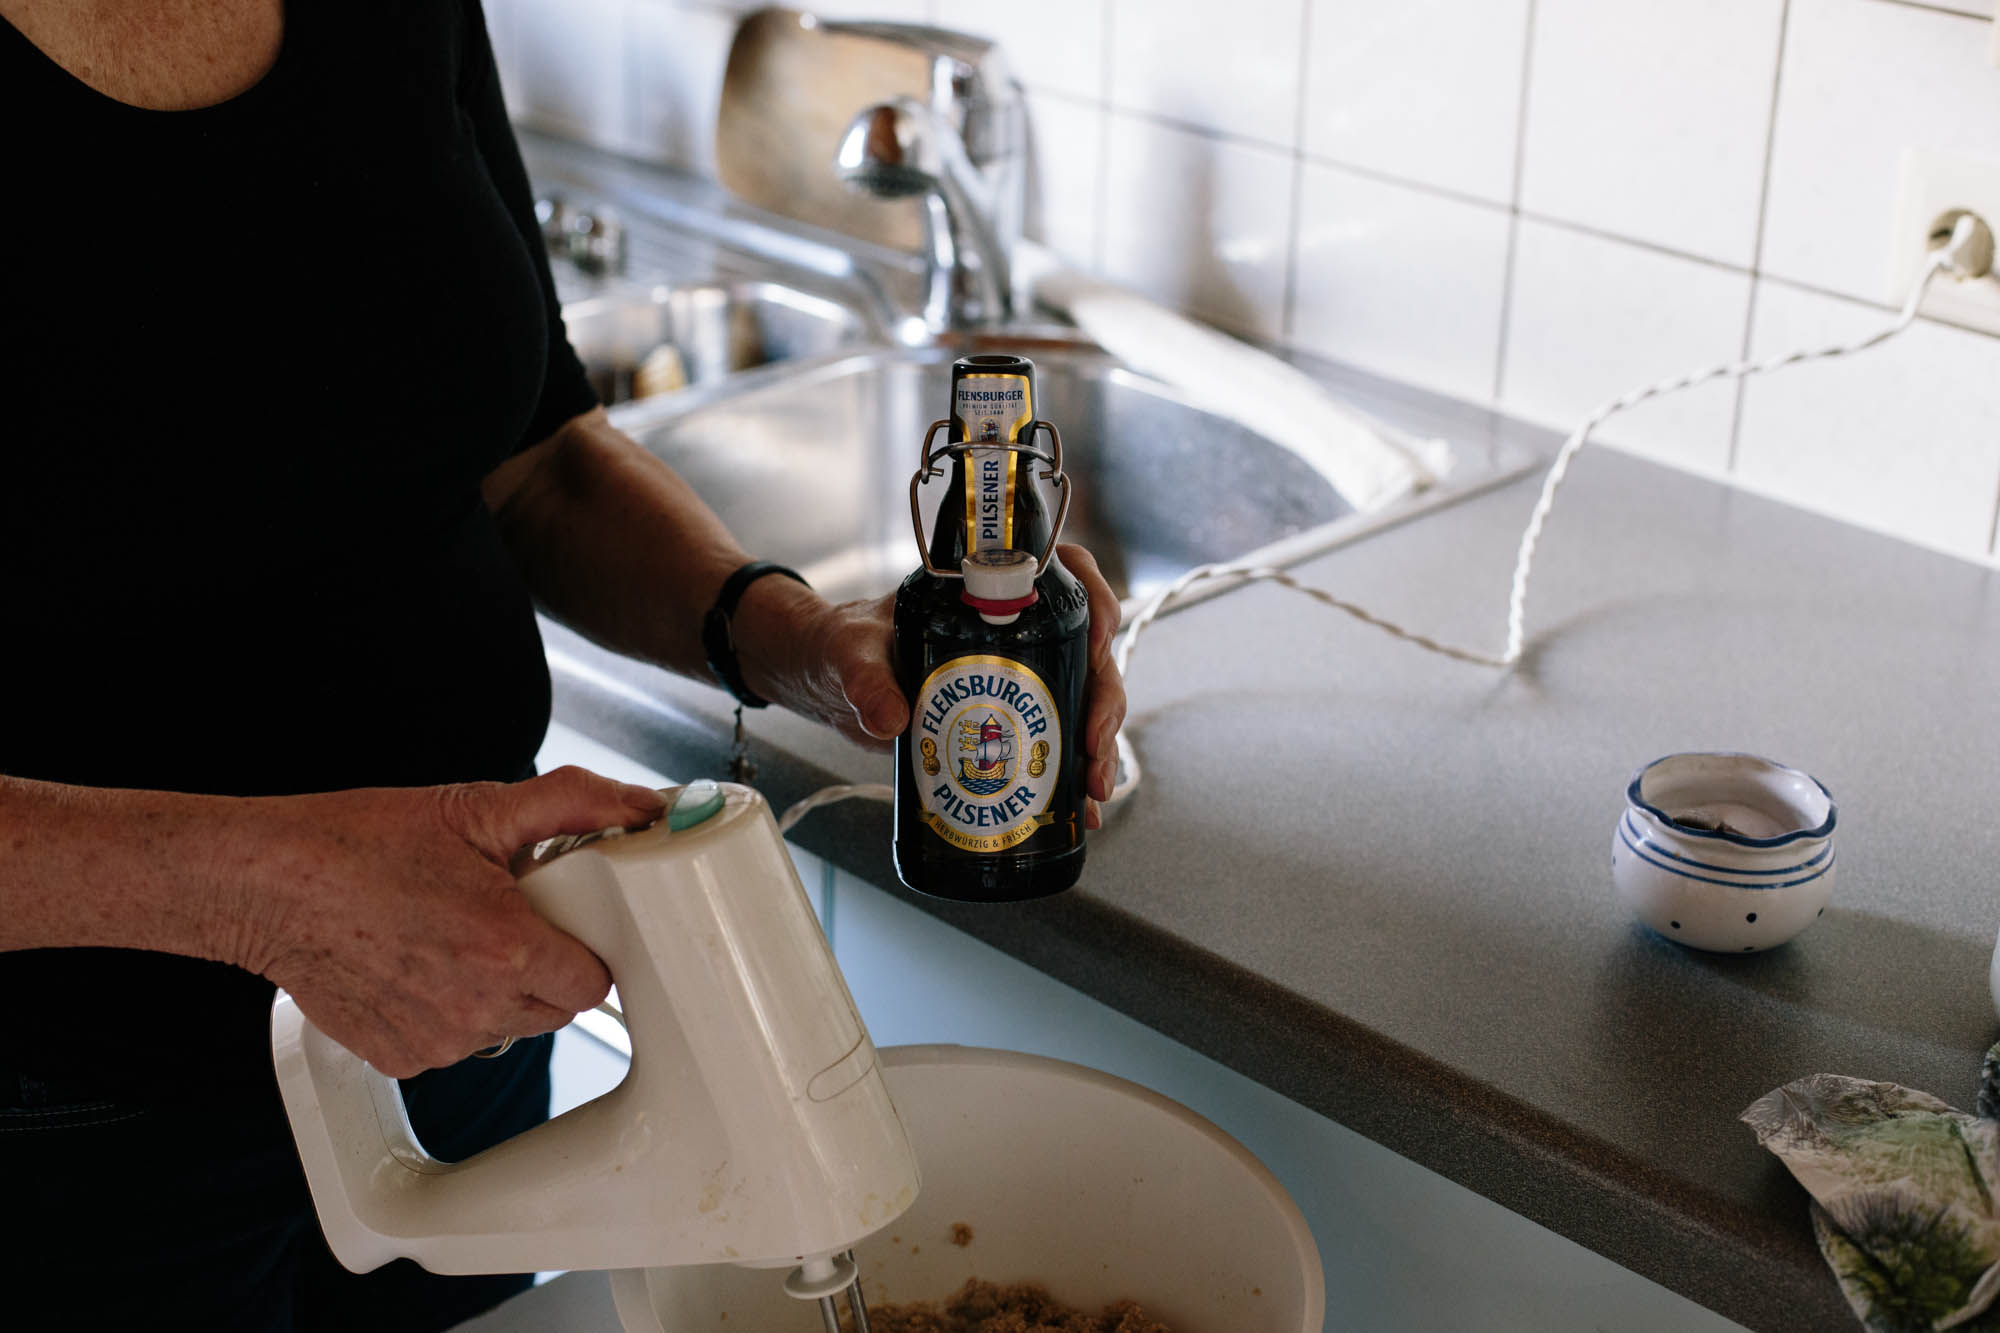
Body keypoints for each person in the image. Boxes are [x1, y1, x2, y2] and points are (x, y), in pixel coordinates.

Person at [0, 1, 1128, 1328]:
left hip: (464, 1013)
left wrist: (798, 640)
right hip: (68, 1123)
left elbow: (534, 458)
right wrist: (268, 899)